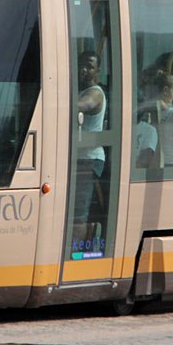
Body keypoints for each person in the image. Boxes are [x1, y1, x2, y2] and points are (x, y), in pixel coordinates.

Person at [74, 51, 106, 231]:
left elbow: (82, 106)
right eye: (82, 65)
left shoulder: (95, 93)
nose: (84, 69)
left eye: (90, 67)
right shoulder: (79, 90)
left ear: (98, 71)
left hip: (89, 159)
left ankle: (77, 253)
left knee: (78, 215)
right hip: (77, 156)